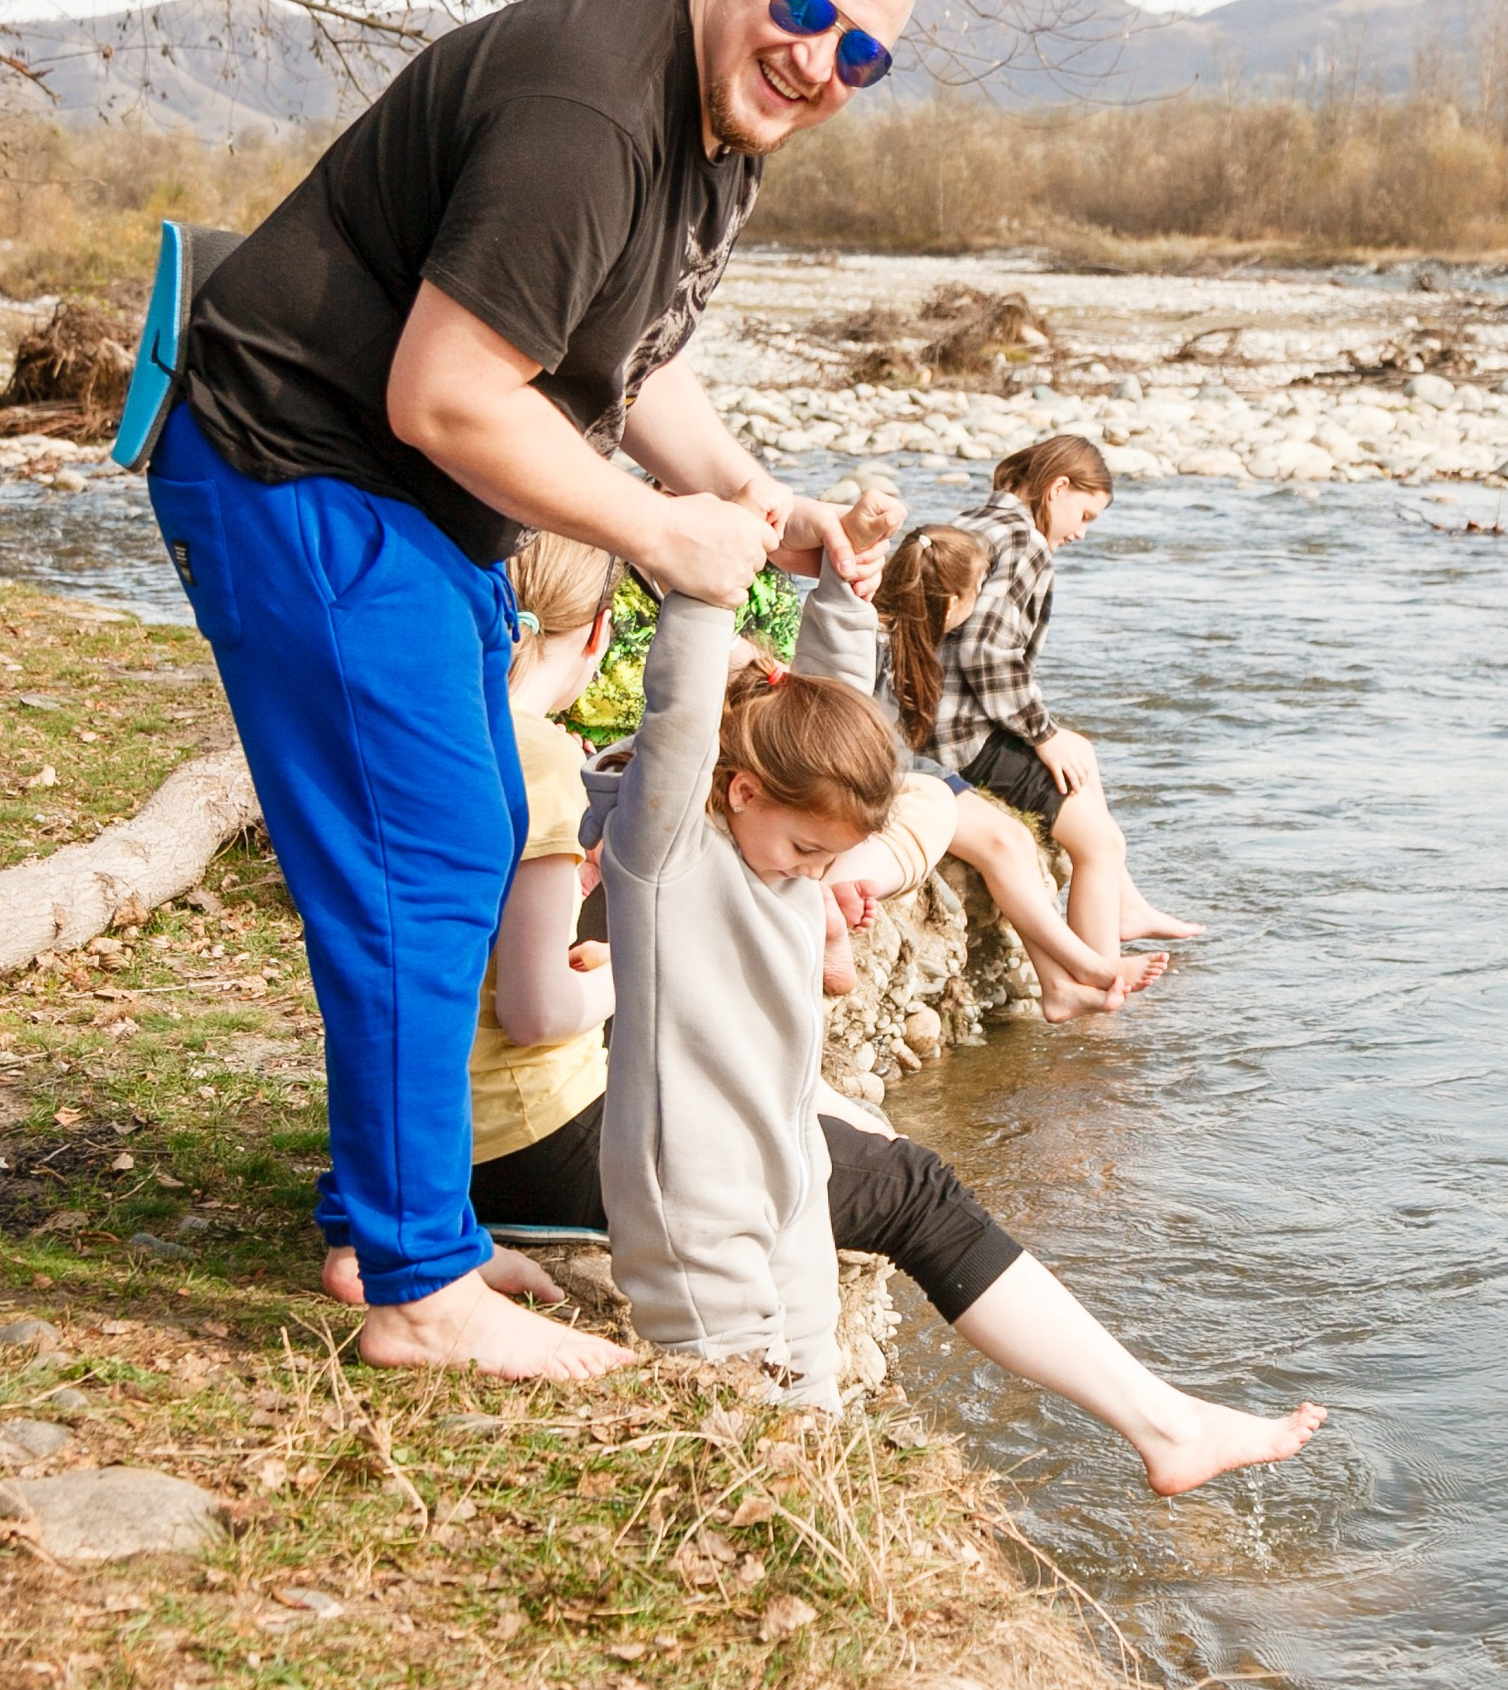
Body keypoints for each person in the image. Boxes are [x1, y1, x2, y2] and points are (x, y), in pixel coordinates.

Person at [150, 0, 919, 1383]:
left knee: (482, 820)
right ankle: (419, 1290)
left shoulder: (717, 133)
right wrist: (651, 532)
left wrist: (763, 507)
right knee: (425, 850)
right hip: (294, 465)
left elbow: (628, 359)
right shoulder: (595, 117)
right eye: (808, 11)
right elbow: (442, 393)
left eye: (863, 55)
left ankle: (384, 1225)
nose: (820, 64)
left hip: (404, 497)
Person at [318, 554, 1326, 1492]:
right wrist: (702, 584)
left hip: (782, 1166)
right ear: (742, 788)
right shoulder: (663, 856)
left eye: (828, 855)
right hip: (691, 1188)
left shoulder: (790, 851)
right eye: (804, 846)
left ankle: (833, 1523)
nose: (815, 872)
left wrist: (844, 580)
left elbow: (844, 715)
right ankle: (756, 1542)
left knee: (814, 1393)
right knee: (750, 1415)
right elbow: (675, 723)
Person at [861, 505, 1168, 1019]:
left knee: (1015, 839)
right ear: (954, 600)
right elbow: (864, 740)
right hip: (879, 776)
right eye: (978, 592)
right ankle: (1092, 968)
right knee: (1005, 841)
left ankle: (1060, 989)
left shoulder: (909, 634)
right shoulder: (874, 641)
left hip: (906, 768)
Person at [932, 434, 1200, 957]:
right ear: (1057, 488)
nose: (1081, 533)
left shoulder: (971, 522)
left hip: (934, 714)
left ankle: (1125, 906)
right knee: (1101, 843)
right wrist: (1042, 734)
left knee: (1081, 751)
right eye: (1086, 515)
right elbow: (985, 655)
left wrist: (1056, 735)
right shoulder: (1022, 541)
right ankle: (1099, 995)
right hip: (957, 733)